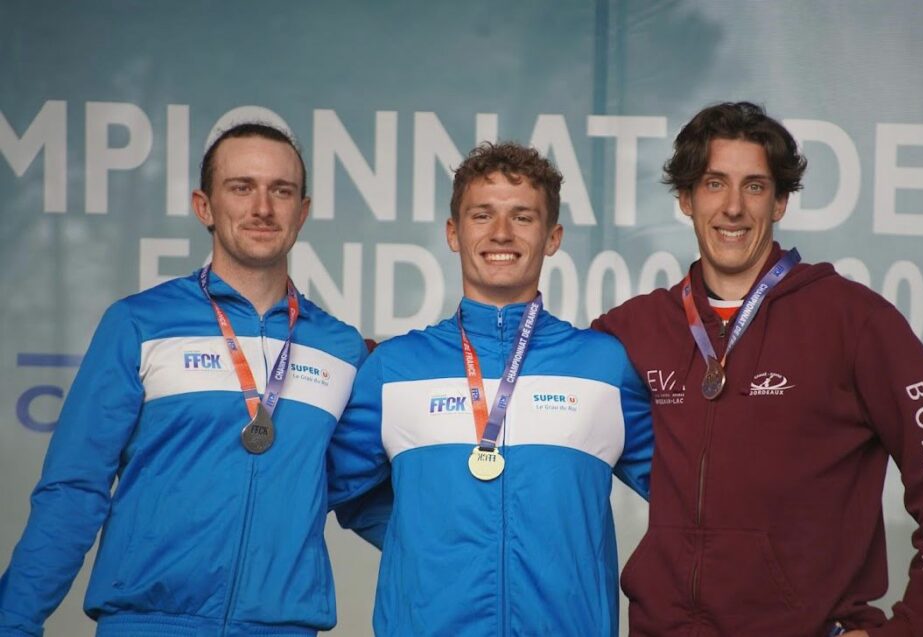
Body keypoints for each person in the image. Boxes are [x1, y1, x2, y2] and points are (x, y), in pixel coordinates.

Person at [593, 102, 923, 637]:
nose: (733, 207)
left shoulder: (851, 321)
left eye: (755, 187)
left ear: (781, 201)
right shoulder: (634, 330)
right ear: (686, 199)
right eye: (715, 184)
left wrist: (914, 628)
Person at [0, 123, 367, 636]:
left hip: (282, 627)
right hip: (147, 623)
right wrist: (14, 621)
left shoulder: (341, 348)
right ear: (205, 206)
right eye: (241, 187)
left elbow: (358, 492)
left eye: (281, 191)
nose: (263, 207)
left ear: (301, 212)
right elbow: (75, 488)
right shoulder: (138, 324)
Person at [329, 141, 654, 636]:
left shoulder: (603, 365)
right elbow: (328, 488)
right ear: (453, 233)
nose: (501, 233)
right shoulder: (395, 367)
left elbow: (688, 496)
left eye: (523, 217)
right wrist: (421, 542)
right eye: (482, 216)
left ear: (552, 236)